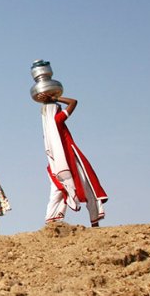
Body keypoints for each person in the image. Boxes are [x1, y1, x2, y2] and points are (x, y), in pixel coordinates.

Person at [37, 93, 107, 227]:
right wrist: (54, 99)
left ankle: (51, 221)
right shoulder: (53, 124)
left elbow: (73, 102)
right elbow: (73, 102)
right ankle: (54, 224)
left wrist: (54, 99)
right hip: (63, 160)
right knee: (84, 188)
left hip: (65, 159)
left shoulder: (55, 121)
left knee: (62, 190)